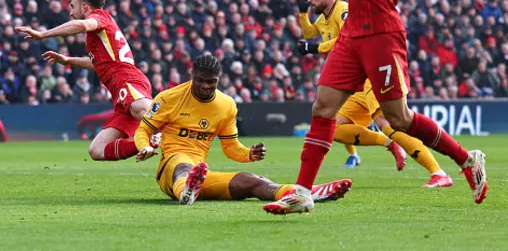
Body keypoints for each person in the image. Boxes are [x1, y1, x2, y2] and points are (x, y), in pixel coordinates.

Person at [264, 0, 487, 215]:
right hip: (355, 31)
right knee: (323, 107)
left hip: (380, 32)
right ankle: (302, 192)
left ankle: (466, 159)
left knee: (399, 119)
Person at [134, 53, 352, 205]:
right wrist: (144, 147)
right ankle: (187, 192)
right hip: (170, 172)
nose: (206, 86)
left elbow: (230, 147)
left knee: (253, 181)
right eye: (200, 80)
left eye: (212, 82)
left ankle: (305, 193)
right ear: (192, 75)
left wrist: (248, 153)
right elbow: (143, 130)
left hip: (200, 173)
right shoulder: (168, 98)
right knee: (183, 166)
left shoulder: (226, 104)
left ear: (219, 79)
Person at [298, 0, 452, 187]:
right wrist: (301, 13)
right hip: (356, 83)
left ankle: (438, 172)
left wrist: (315, 48)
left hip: (371, 74)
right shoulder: (323, 18)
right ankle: (389, 144)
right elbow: (308, 32)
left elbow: (347, 38)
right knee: (334, 128)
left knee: (387, 124)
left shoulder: (343, 10)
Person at [16, 0, 159, 161]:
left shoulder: (99, 16)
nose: (70, 11)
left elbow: (82, 25)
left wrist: (42, 35)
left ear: (84, 7)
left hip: (126, 78)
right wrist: (68, 60)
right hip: (119, 90)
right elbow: (98, 63)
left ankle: (174, 135)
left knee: (142, 109)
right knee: (97, 150)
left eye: (72, 6)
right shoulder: (100, 33)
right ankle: (147, 143)